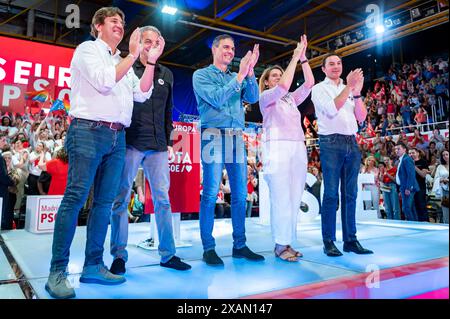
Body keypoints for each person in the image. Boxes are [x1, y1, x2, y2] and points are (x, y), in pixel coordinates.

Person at [45, 7, 156, 299]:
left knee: (105, 204)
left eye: (122, 22)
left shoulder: (123, 61)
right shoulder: (86, 50)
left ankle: (93, 265)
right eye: (114, 22)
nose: (120, 26)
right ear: (98, 26)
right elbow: (105, 81)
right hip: (87, 131)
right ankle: (57, 271)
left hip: (117, 136)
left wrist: (151, 63)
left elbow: (142, 92)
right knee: (75, 199)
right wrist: (133, 55)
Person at [109, 25, 191, 275]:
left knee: (163, 200)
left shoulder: (166, 72)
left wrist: (167, 140)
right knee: (120, 200)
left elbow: (169, 109)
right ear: (137, 42)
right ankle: (119, 256)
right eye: (146, 41)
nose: (150, 46)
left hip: (158, 147)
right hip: (131, 142)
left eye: (155, 42)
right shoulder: (127, 69)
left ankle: (168, 254)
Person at [192, 34, 264, 266]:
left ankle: (240, 245)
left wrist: (250, 72)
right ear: (214, 49)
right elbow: (216, 98)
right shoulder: (201, 75)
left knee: (241, 195)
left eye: (233, 48)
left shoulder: (237, 76)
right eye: (225, 46)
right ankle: (208, 247)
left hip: (235, 137)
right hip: (212, 134)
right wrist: (241, 75)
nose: (230, 51)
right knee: (211, 192)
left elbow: (253, 98)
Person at [259, 35, 314, 262]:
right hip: (277, 148)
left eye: (280, 74)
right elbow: (284, 85)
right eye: (275, 76)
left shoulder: (291, 99)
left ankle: (288, 241)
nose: (279, 78)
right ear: (267, 82)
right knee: (281, 196)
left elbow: (309, 83)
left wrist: (303, 59)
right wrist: (293, 57)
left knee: (294, 196)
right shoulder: (266, 97)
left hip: (297, 147)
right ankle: (280, 245)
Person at [311, 53, 373, 256]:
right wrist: (349, 87)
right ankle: (328, 240)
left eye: (339, 63)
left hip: (351, 141)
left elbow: (361, 117)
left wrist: (356, 94)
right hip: (330, 142)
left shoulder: (350, 90)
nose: (336, 66)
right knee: (330, 194)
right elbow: (331, 109)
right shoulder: (319, 88)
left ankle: (350, 240)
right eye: (331, 64)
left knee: (350, 194)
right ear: (323, 69)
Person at [394, 142, 420, 221]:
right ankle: (416, 225)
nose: (396, 151)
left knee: (406, 208)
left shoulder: (407, 159)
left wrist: (408, 188)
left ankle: (412, 226)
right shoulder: (402, 159)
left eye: (399, 149)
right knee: (411, 208)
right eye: (395, 149)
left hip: (407, 188)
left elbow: (411, 174)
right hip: (404, 187)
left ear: (404, 150)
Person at [408, 148, 430, 222]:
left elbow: (423, 175)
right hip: (411, 188)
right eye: (410, 153)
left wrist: (414, 166)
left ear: (418, 153)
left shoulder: (423, 162)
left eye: (413, 153)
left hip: (421, 187)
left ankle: (425, 222)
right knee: (413, 206)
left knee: (421, 205)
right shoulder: (407, 163)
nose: (411, 155)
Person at [0, 134, 16, 230]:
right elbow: (3, 176)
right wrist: (12, 182)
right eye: (3, 140)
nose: (5, 143)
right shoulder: (0, 157)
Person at [432, 150, 449, 223]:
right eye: (443, 155)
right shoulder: (440, 166)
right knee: (446, 212)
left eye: (447, 154)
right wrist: (441, 179)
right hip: (445, 191)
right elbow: (435, 178)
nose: (445, 156)